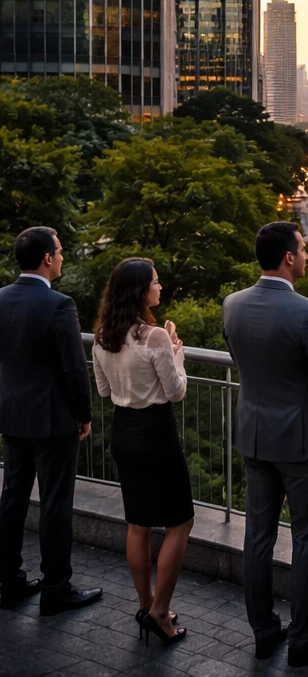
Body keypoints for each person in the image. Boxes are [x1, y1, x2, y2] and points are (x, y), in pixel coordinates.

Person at [223, 222, 308, 668]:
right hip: (301, 442)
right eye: (304, 249)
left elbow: (241, 363)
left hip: (255, 435)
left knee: (258, 536)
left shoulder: (232, 304)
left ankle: (264, 631)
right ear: (289, 258)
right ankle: (304, 638)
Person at [91, 258, 193, 646]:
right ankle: (161, 613)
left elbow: (103, 391)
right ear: (140, 291)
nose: (160, 286)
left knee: (138, 523)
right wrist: (177, 352)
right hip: (156, 434)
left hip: (124, 432)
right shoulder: (154, 337)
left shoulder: (103, 336)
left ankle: (146, 604)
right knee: (180, 523)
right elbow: (176, 391)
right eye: (155, 281)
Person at [0, 227, 101, 617]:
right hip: (53, 418)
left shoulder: (2, 298)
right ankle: (57, 587)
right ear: (46, 258)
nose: (61, 257)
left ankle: (9, 581)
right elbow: (74, 368)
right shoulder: (60, 304)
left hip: (12, 414)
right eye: (59, 252)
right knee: (55, 504)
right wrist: (84, 414)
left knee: (12, 499)